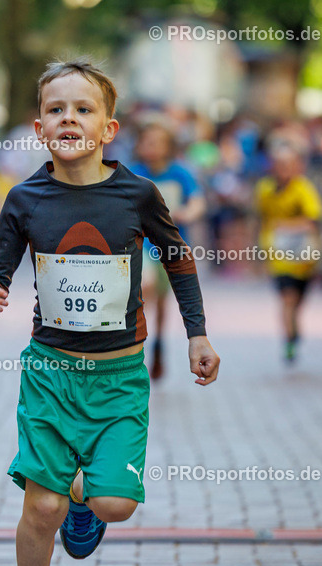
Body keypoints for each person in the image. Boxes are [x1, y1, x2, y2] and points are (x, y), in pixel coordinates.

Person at [0, 58, 219, 566]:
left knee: (114, 505)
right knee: (43, 505)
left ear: (108, 129)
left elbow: (178, 258)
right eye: (56, 109)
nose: (69, 118)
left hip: (119, 378)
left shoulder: (137, 194)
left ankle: (83, 496)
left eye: (83, 109)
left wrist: (197, 335)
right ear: (40, 128)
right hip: (50, 376)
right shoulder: (25, 198)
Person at [129, 119, 205, 380]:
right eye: (147, 142)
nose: (151, 147)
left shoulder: (180, 173)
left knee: (161, 301)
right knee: (144, 286)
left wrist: (186, 213)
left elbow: (197, 202)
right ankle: (136, 339)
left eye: (157, 142)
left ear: (168, 146)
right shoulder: (133, 173)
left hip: (169, 248)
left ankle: (158, 342)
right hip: (140, 246)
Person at [255, 139, 322, 364]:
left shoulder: (303, 188)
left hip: (303, 256)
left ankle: (294, 328)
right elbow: (259, 217)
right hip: (278, 254)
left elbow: (314, 219)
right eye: (279, 164)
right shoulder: (264, 189)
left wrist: (287, 226)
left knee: (298, 300)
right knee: (287, 297)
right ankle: (288, 339)